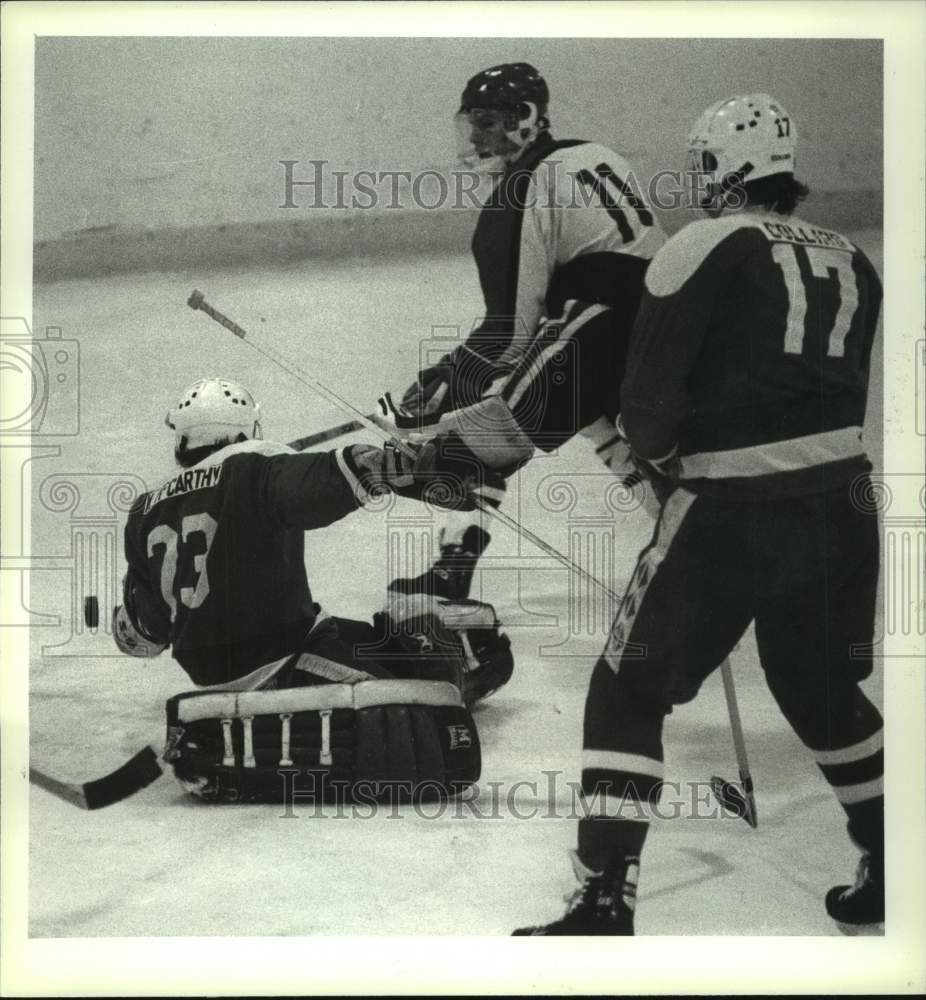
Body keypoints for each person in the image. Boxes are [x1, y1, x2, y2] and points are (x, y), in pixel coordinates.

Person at [512, 94, 884, 934]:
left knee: (626, 686)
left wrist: (660, 462)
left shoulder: (701, 244)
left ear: (723, 169)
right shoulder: (855, 256)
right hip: (844, 508)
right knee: (823, 686)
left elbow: (645, 399)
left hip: (730, 515)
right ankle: (894, 856)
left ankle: (605, 897)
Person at [381, 61, 665, 601]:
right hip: (662, 318)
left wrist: (447, 384)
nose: (475, 136)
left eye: (488, 122)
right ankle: (681, 535)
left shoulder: (518, 190)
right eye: (472, 122)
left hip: (601, 321)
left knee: (484, 429)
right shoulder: (594, 154)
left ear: (527, 119)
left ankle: (448, 579)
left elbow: (511, 332)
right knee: (592, 419)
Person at [114, 376, 492, 692]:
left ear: (183, 441)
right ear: (245, 431)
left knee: (377, 643)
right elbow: (326, 479)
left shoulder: (145, 510)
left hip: (209, 671)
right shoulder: (254, 470)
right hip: (281, 657)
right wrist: (402, 467)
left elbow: (146, 632)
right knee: (421, 679)